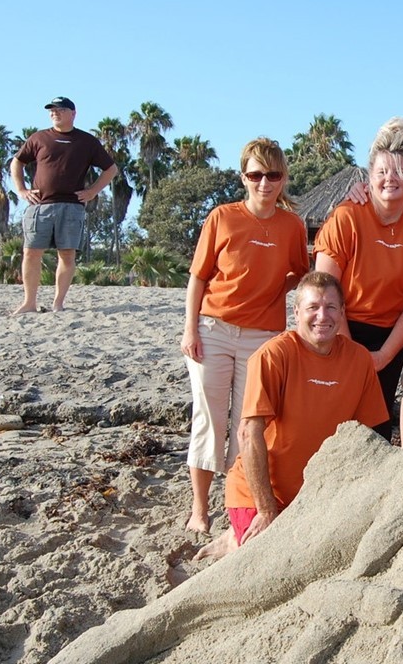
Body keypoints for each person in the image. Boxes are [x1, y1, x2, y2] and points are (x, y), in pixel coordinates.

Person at [180, 137, 310, 534]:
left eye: (272, 175)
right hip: (213, 330)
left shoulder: (292, 225)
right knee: (209, 419)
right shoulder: (222, 217)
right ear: (243, 178)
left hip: (262, 336)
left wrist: (274, 290)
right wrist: (190, 329)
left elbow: (300, 272)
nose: (264, 183)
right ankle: (200, 509)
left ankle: (237, 506)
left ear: (283, 178)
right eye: (255, 175)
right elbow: (198, 277)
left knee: (248, 424)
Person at [223, 271, 389, 547]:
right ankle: (234, 538)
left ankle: (233, 537)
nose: (322, 316)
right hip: (261, 494)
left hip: (317, 493)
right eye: (313, 307)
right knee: (268, 557)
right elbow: (247, 434)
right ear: (296, 312)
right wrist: (266, 511)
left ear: (342, 312)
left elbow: (367, 436)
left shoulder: (359, 359)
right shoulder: (273, 356)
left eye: (331, 307)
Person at [314, 118, 403, 442]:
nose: (390, 179)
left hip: (390, 335)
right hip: (337, 326)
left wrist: (383, 356)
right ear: (369, 176)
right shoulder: (346, 217)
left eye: (399, 172)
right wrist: (349, 350)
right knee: (332, 421)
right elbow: (323, 290)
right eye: (382, 171)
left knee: (377, 425)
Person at [10, 96, 118, 314]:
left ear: (73, 113)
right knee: (31, 252)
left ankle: (58, 303)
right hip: (39, 206)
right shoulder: (39, 138)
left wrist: (92, 191)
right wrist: (21, 189)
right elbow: (17, 161)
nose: (54, 113)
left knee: (67, 255)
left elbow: (111, 169)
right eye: (52, 110)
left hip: (71, 207)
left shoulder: (86, 141)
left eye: (60, 110)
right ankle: (29, 302)